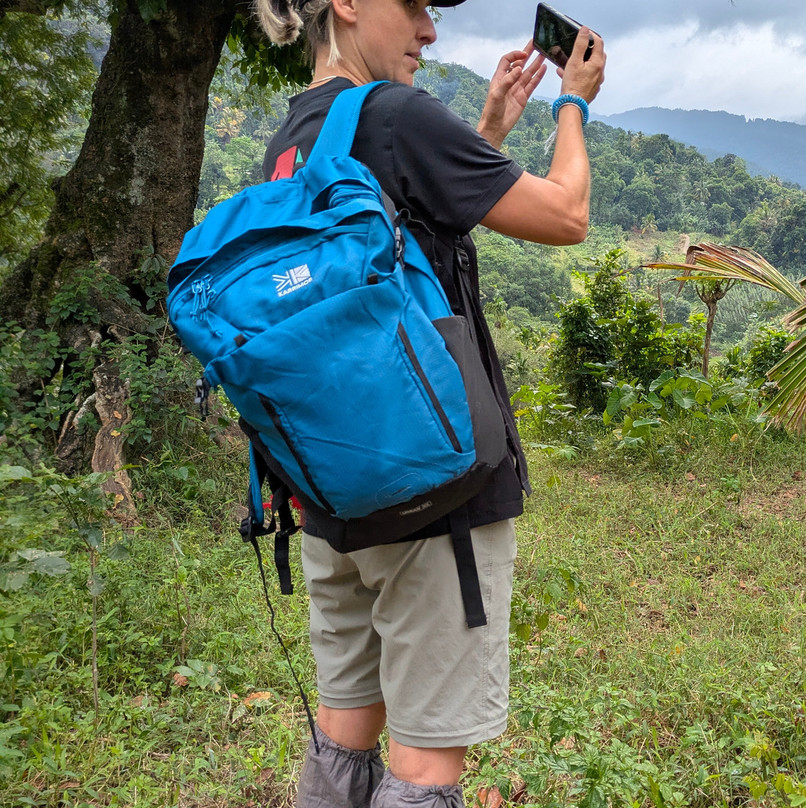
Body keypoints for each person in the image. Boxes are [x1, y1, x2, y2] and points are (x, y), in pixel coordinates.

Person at [252, 1, 605, 806]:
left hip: (330, 492)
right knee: (425, 768)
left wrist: (486, 133)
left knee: (344, 730)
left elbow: (404, 234)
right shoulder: (397, 114)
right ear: (347, 2)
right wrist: (573, 106)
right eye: (411, 5)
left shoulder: (294, 138)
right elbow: (567, 215)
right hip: (434, 493)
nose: (429, 30)